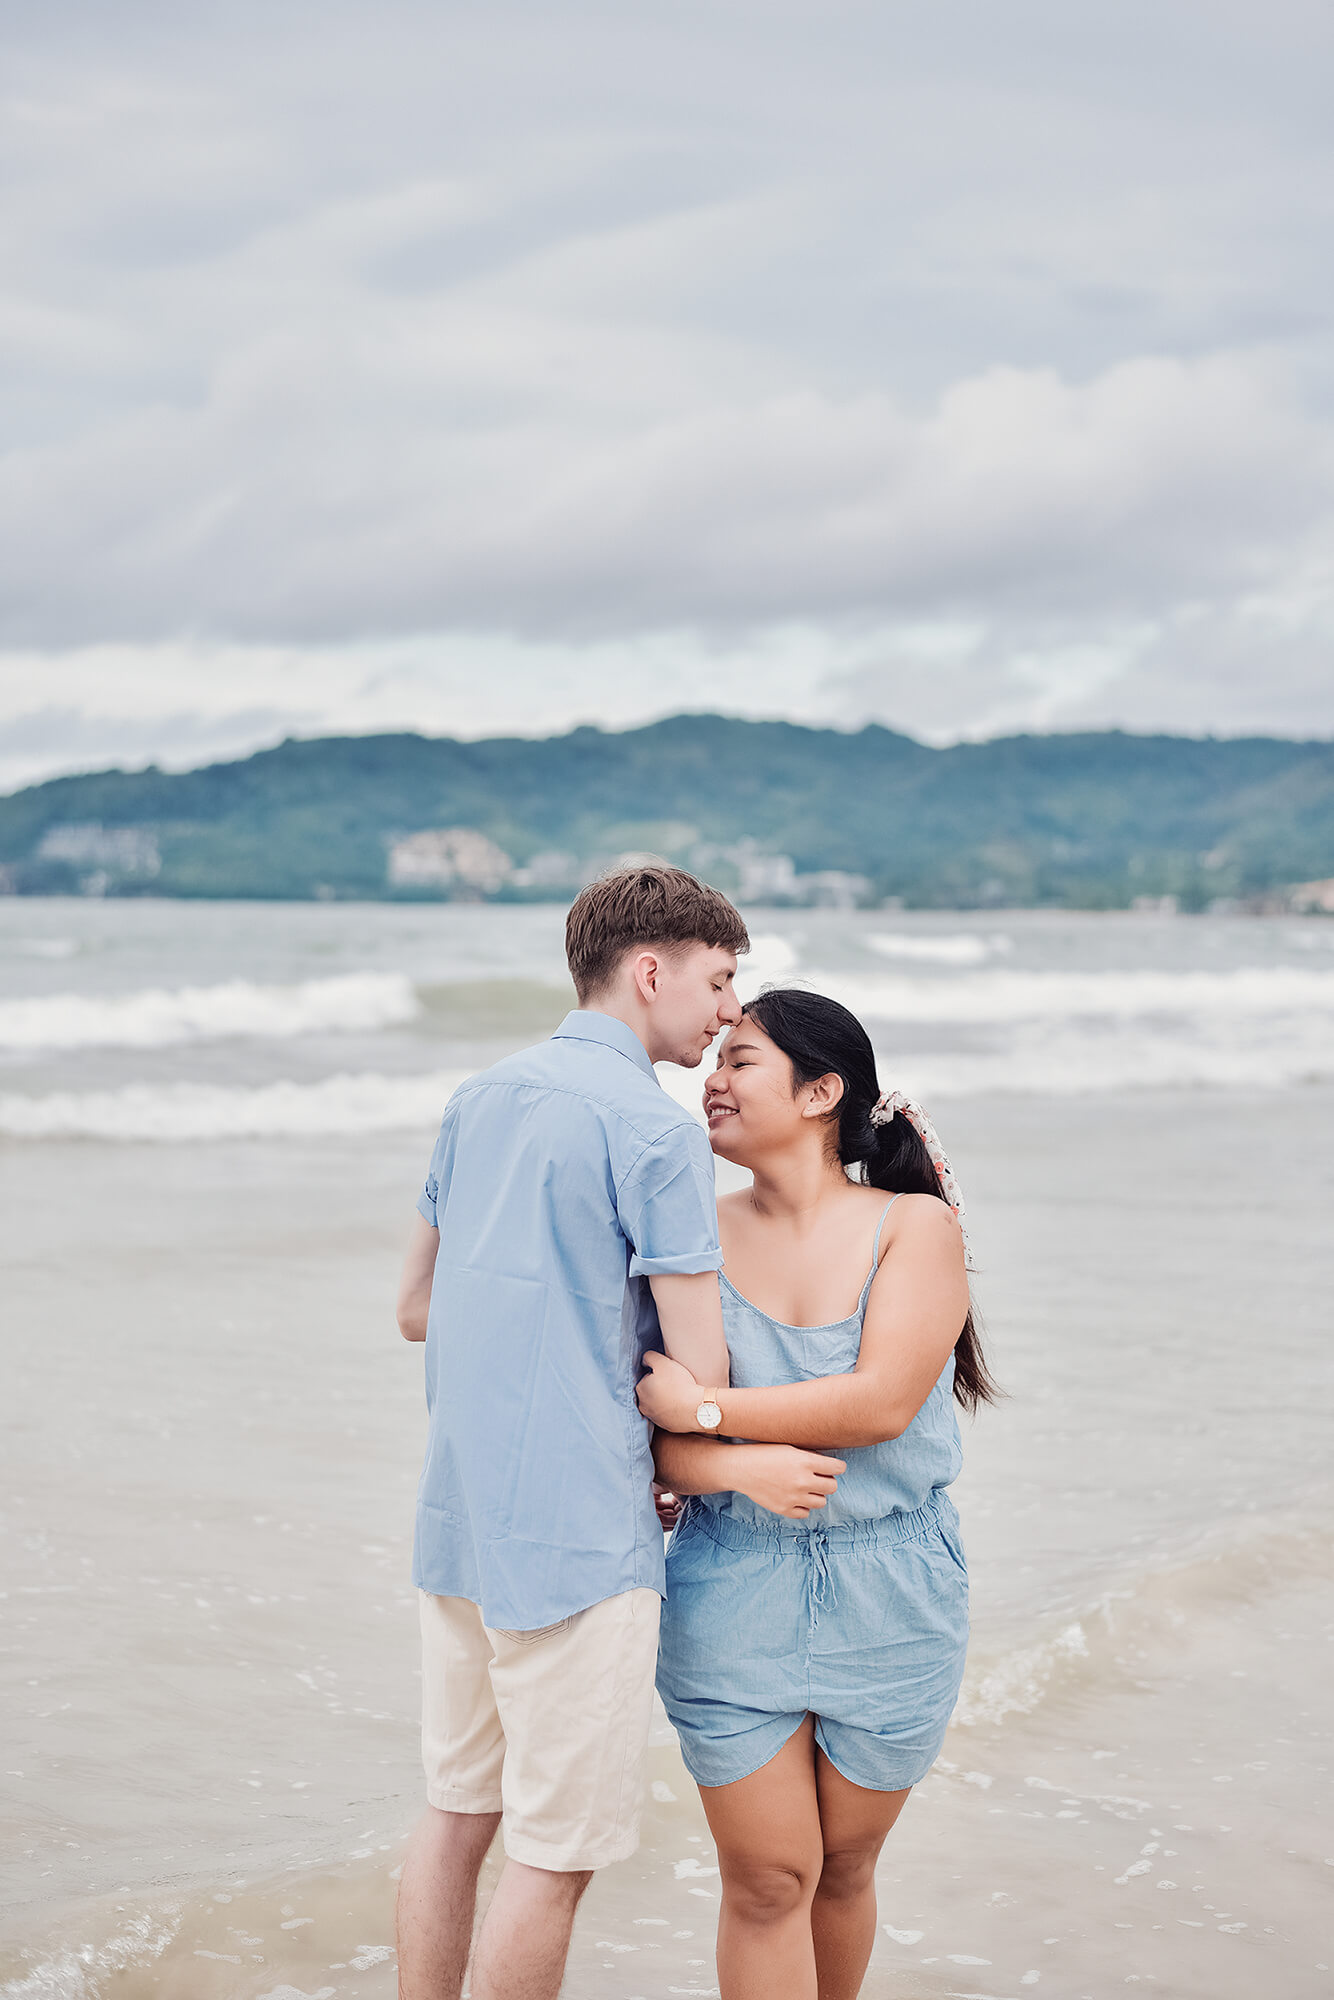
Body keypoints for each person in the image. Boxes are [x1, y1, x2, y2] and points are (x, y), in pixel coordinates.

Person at [393, 864, 753, 2000]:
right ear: (650, 970)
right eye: (717, 978)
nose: (728, 1009)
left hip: (457, 1522)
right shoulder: (653, 1132)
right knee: (552, 1858)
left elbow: (415, 1307)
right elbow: (700, 1370)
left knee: (455, 1814)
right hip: (582, 1538)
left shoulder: (479, 1095)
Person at [638, 986, 999, 2000]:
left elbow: (879, 1402)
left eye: (739, 1060)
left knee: (841, 1867)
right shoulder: (687, 1236)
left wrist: (708, 1413)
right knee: (766, 1878)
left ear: (821, 1090)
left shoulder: (911, 1226)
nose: (709, 1080)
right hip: (728, 1578)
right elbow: (633, 1428)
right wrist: (717, 1456)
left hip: (895, 1586)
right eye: (713, 1062)